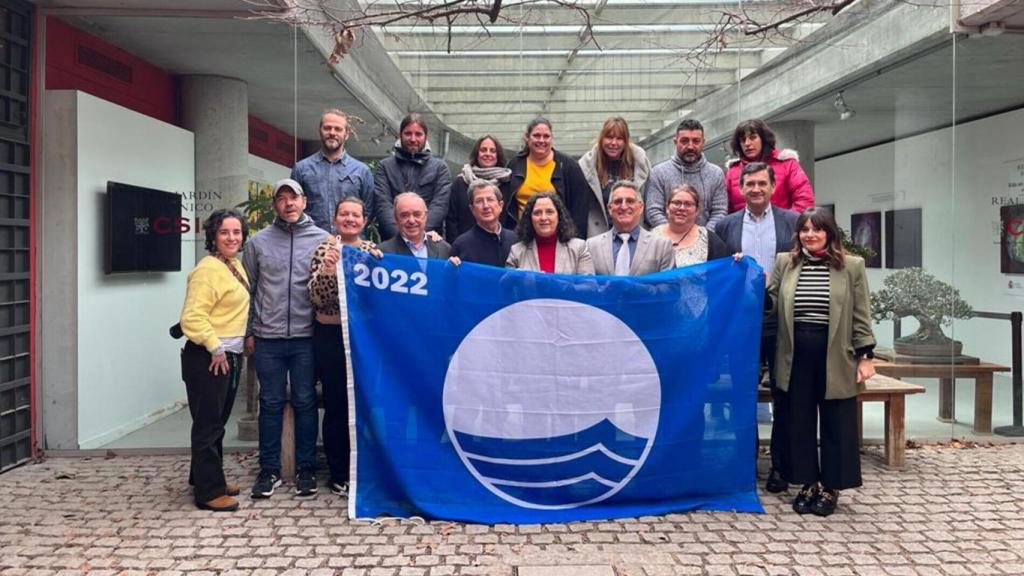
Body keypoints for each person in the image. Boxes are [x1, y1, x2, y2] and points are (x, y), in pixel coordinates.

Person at [767, 207, 876, 517]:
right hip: (794, 355)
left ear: (829, 233)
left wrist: (866, 356)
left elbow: (860, 314)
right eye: (804, 230)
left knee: (836, 422)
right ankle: (807, 483)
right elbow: (772, 303)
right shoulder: (785, 262)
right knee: (797, 422)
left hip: (835, 355)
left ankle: (831, 487)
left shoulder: (852, 266)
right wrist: (750, 286)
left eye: (817, 229)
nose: (810, 235)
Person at [715, 162, 800, 493]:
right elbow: (718, 269)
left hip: (780, 318)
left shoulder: (792, 222)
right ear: (739, 187)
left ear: (773, 185)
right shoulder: (725, 226)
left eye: (762, 183)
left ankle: (781, 466)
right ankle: (744, 464)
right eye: (749, 183)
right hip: (741, 319)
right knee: (742, 393)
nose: (755, 189)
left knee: (784, 394)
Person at [243, 178, 331, 499]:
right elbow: (247, 291)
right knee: (270, 402)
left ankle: (306, 469)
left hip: (307, 337)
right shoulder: (258, 243)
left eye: (293, 198)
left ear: (304, 201)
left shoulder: (323, 240)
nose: (288, 204)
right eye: (281, 199)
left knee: (306, 401)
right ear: (274, 205)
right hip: (268, 337)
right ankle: (269, 470)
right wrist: (248, 331)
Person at [307, 197, 380, 497]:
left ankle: (362, 467)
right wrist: (327, 270)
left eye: (356, 215)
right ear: (335, 218)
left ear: (364, 221)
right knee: (337, 404)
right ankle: (339, 472)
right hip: (331, 338)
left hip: (364, 339)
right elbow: (316, 298)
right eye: (344, 214)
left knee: (363, 404)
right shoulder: (325, 249)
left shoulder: (371, 252)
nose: (350, 219)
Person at [179, 209, 250, 512]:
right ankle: (208, 492)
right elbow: (191, 318)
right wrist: (215, 347)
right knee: (208, 424)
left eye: (236, 232)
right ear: (212, 236)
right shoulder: (208, 269)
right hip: (209, 357)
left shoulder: (232, 265)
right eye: (224, 232)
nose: (231, 238)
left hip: (228, 354)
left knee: (216, 421)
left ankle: (208, 477)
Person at [291, 109, 375, 233]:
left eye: (338, 129)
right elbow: (295, 207)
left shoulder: (362, 171)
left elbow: (369, 211)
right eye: (327, 128)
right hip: (312, 244)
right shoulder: (301, 169)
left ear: (346, 134)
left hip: (349, 246)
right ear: (319, 131)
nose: (332, 133)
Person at [504, 118, 589, 238]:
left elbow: (580, 210)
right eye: (536, 135)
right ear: (527, 138)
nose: (541, 140)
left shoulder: (569, 167)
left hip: (559, 238)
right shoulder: (515, 165)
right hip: (522, 237)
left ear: (552, 139)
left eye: (546, 136)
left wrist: (575, 240)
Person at [374, 113, 452, 240]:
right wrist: (400, 239)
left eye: (418, 134)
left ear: (426, 137)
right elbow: (383, 205)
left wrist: (418, 235)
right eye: (408, 133)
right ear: (400, 135)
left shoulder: (440, 168)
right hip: (392, 243)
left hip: (429, 242)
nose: (413, 139)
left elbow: (439, 206)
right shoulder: (384, 167)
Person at [645, 119, 727, 231]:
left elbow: (720, 211)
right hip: (667, 243)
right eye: (684, 141)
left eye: (696, 141)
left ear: (703, 142)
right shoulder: (658, 172)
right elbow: (653, 211)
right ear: (675, 142)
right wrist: (673, 235)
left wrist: (701, 238)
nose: (690, 146)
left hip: (705, 242)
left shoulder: (716, 173)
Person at [578, 117, 652, 236]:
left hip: (634, 233)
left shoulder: (639, 163)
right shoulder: (587, 165)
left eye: (619, 138)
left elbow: (649, 199)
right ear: (601, 139)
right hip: (599, 233)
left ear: (626, 141)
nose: (614, 143)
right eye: (609, 137)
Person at [725, 119, 814, 214]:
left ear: (764, 139)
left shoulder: (787, 164)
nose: (747, 143)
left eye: (753, 137)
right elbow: (725, 208)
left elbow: (805, 200)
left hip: (782, 227)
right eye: (743, 140)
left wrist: (786, 224)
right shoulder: (732, 171)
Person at [587, 181, 673, 276]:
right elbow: (587, 285)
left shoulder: (661, 245)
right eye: (618, 202)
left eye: (630, 201)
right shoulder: (591, 246)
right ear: (610, 209)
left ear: (641, 207)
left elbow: (668, 286)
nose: (623, 206)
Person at [506, 192, 594, 274]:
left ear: (559, 216)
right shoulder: (517, 251)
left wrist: (559, 285)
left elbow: (589, 286)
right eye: (537, 213)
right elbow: (507, 287)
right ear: (530, 219)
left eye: (549, 212)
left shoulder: (579, 248)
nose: (543, 218)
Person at [446, 135, 512, 243]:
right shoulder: (461, 182)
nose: (488, 154)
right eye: (483, 150)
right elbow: (451, 220)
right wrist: (455, 247)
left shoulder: (507, 183)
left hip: (500, 247)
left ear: (498, 155)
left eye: (492, 151)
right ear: (477, 154)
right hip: (466, 247)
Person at [653, 184, 730, 267]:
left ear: (697, 210)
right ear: (667, 207)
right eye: (676, 203)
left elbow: (723, 270)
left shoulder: (709, 240)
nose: (682, 208)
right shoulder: (651, 237)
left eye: (688, 204)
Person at [450, 181, 517, 267]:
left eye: (490, 200)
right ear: (472, 209)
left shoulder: (515, 240)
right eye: (479, 201)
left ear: (500, 206)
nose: (485, 206)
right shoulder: (461, 245)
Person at [380, 192, 452, 259]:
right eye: (404, 215)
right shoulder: (382, 253)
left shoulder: (444, 250)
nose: (411, 221)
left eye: (417, 214)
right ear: (396, 218)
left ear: (426, 216)